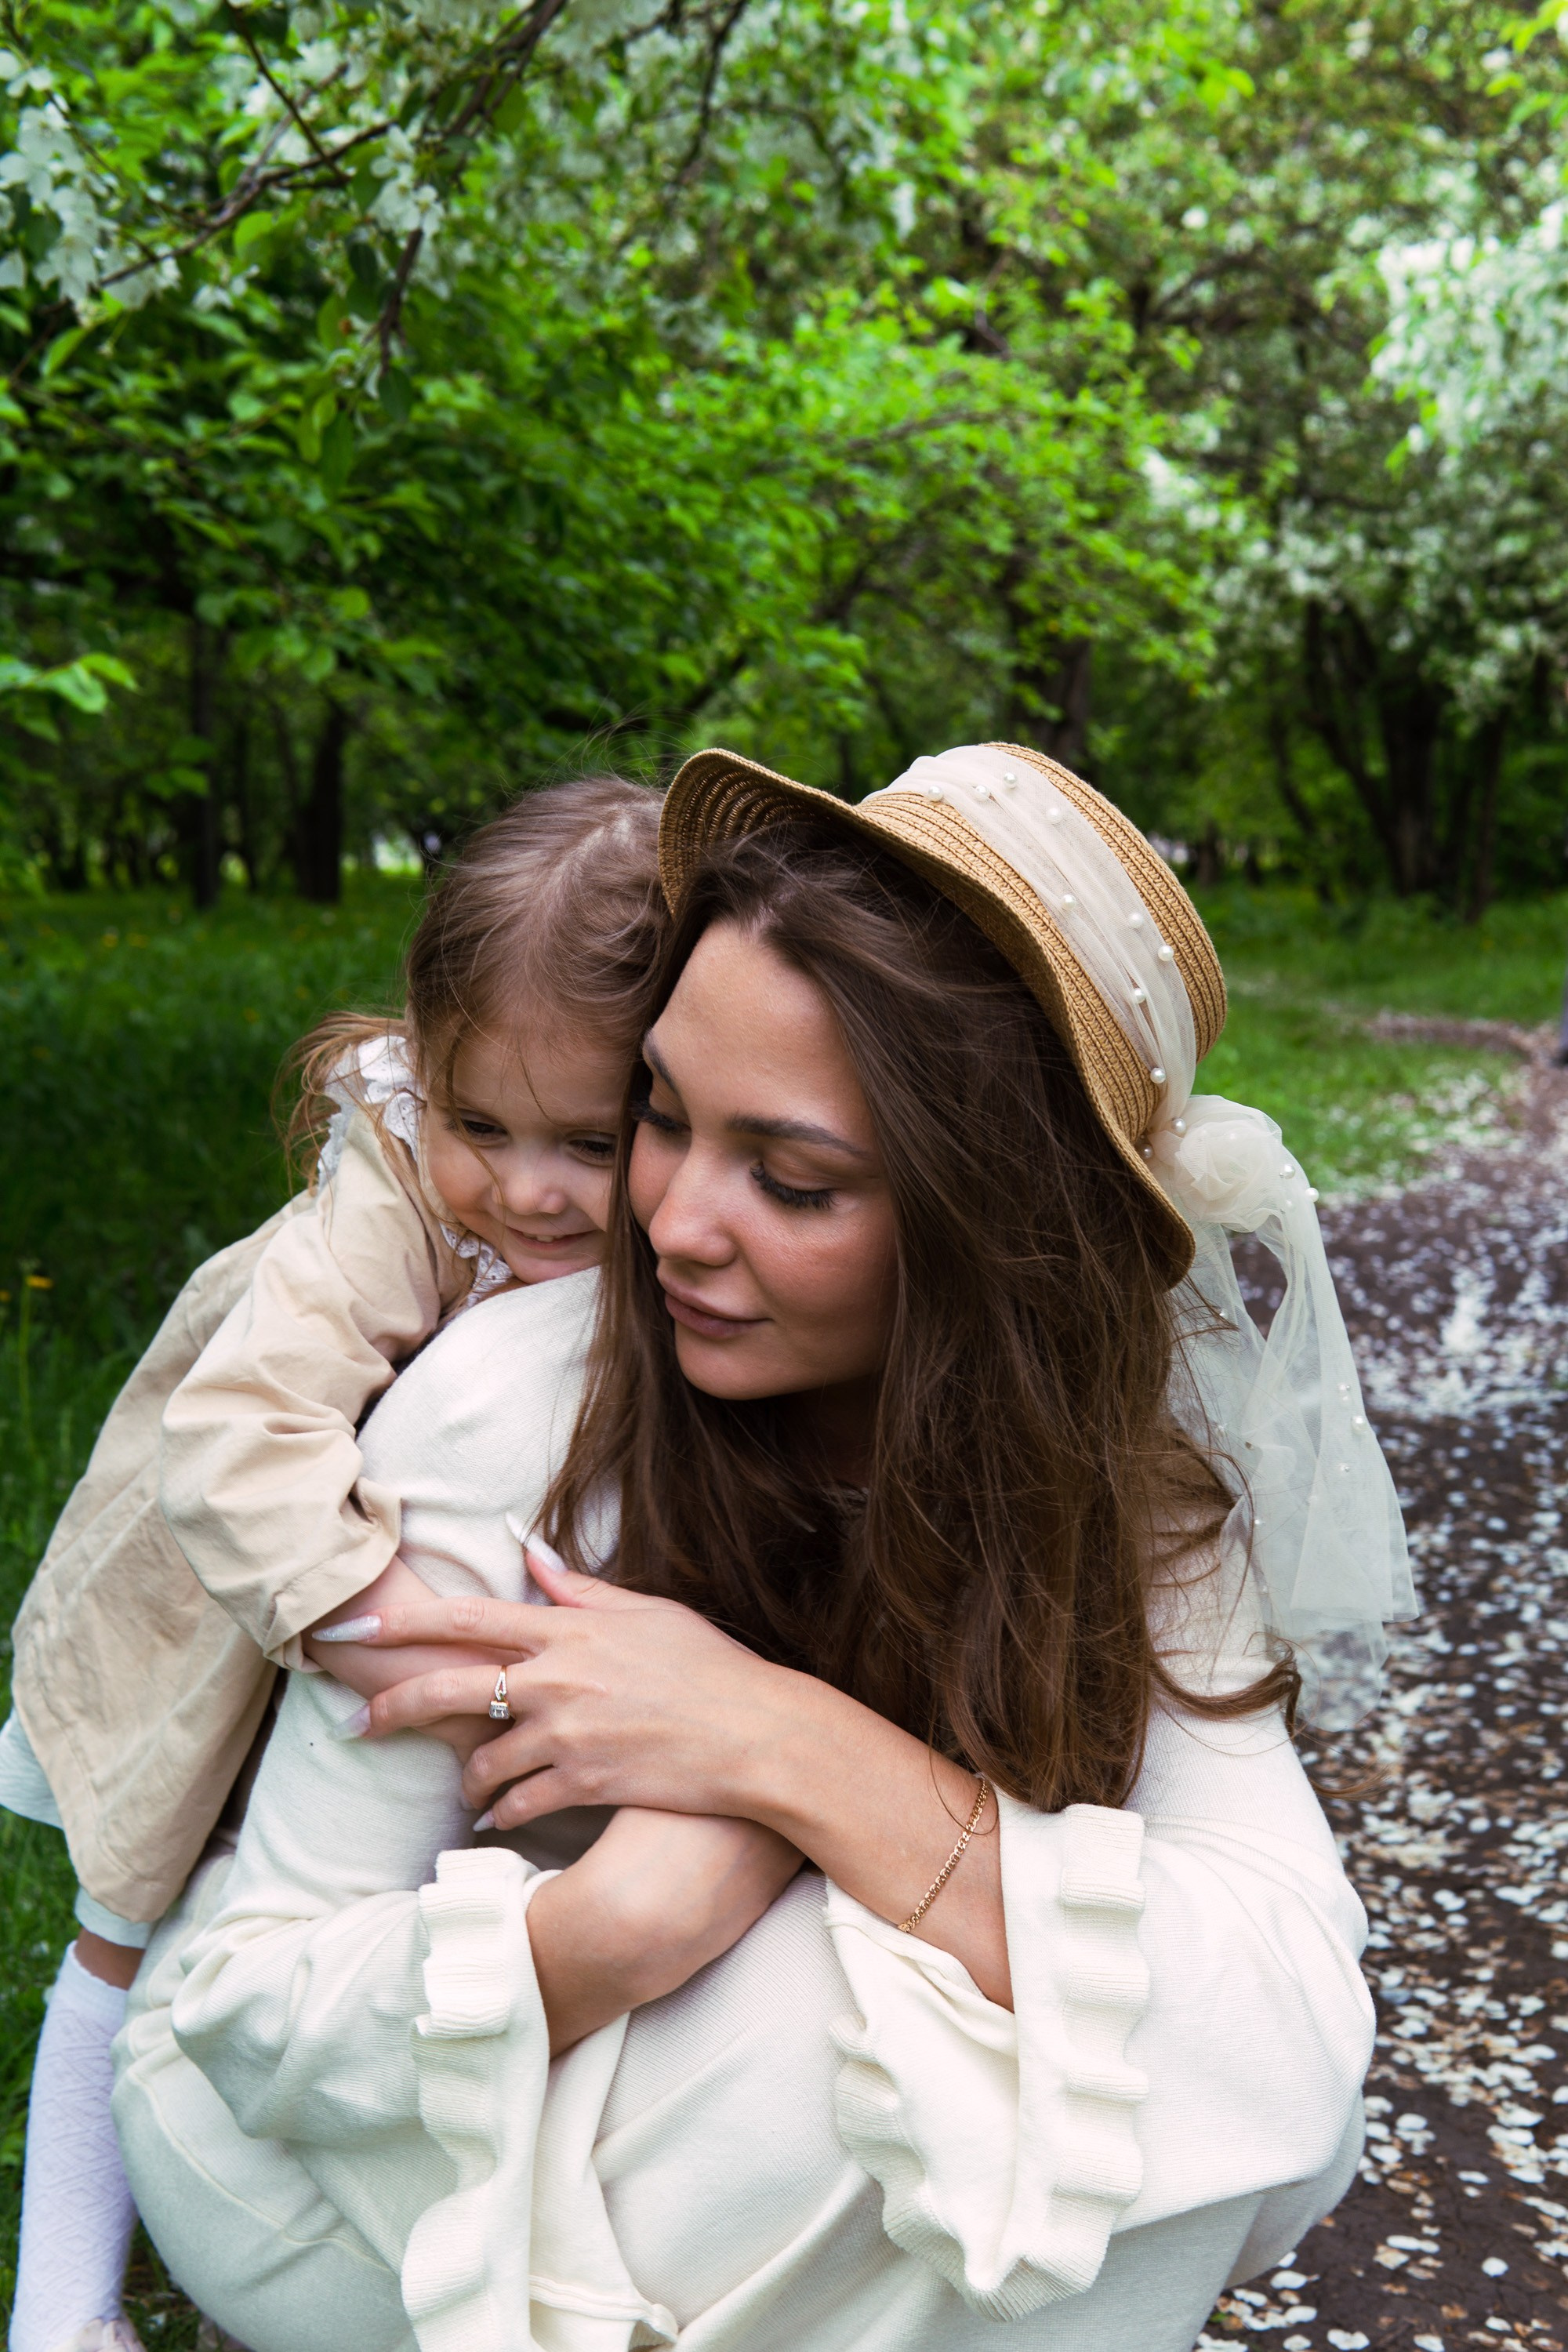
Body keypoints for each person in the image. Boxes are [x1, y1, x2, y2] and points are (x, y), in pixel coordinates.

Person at [111, 741, 1414, 2352]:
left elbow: (1295, 2037)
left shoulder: (1125, 1494)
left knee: (1169, 2101)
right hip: (343, 2154)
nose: (669, 1225)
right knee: (922, 2036)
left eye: (788, 1178)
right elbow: (250, 2012)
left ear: (991, 1223)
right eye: (655, 1114)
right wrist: (602, 1932)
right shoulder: (520, 1408)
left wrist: (782, 1751)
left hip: (680, 2147)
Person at [1, 775, 679, 2352]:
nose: (527, 1188)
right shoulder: (387, 1195)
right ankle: (59, 2308)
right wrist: (373, 1625)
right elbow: (239, 1437)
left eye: (590, 1138)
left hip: (382, 1551)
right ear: (420, 1073)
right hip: (239, 1582)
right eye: (480, 1124)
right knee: (133, 1910)